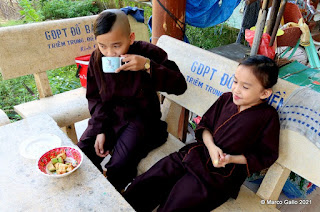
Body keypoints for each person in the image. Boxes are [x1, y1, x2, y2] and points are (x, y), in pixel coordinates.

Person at [123, 55, 280, 211]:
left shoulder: (267, 117)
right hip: (198, 152)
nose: (236, 90)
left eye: (245, 87)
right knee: (151, 180)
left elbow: (266, 155)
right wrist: (211, 147)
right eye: (235, 81)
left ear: (264, 93)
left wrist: (231, 158)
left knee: (178, 202)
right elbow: (205, 126)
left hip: (221, 174)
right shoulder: (226, 99)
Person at [77, 9, 187, 192]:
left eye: (116, 45)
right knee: (83, 152)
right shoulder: (97, 59)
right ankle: (87, 191)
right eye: (102, 46)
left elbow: (180, 85)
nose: (110, 53)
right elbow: (96, 98)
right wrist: (100, 129)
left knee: (119, 165)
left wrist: (147, 66)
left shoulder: (146, 53)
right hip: (110, 117)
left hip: (141, 120)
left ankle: (115, 196)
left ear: (131, 37)